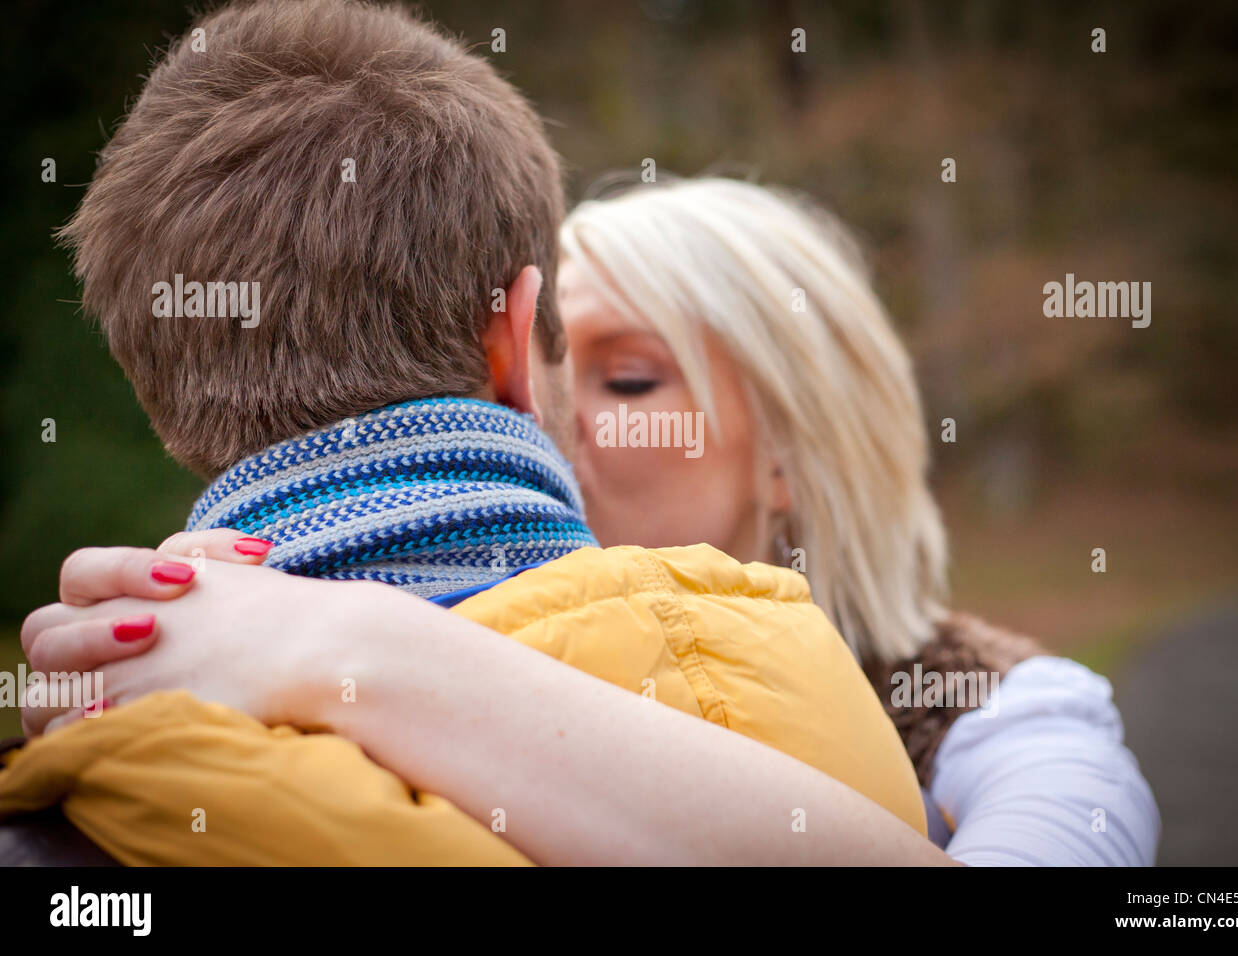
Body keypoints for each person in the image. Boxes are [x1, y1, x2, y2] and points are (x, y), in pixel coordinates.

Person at [0, 0, 933, 865]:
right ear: (518, 340)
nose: (588, 431)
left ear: (158, 386)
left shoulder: (95, 758)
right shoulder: (808, 704)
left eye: (637, 378)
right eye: (593, 366)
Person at [557, 175, 1160, 865]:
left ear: (788, 449)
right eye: (540, 376)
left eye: (628, 379)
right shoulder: (465, 630)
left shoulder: (989, 713)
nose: (543, 418)